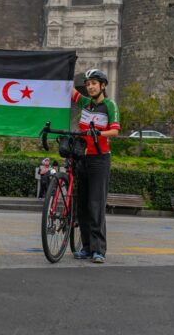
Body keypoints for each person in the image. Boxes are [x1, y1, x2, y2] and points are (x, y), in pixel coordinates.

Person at [71, 69, 120, 264]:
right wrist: (63, 66)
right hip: (83, 157)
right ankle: (86, 247)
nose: (90, 87)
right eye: (88, 83)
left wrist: (99, 134)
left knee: (95, 204)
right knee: (82, 204)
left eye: (94, 83)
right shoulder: (85, 103)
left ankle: (99, 249)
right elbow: (71, 91)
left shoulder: (109, 105)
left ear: (103, 86)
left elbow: (115, 131)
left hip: (100, 159)